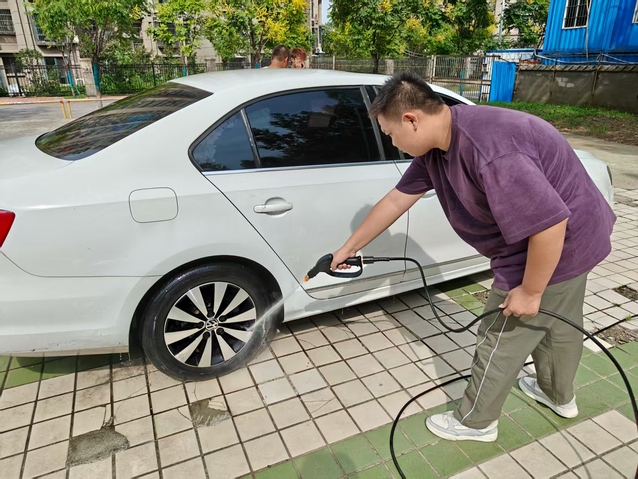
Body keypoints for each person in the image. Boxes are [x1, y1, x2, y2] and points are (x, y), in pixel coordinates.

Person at [330, 72, 615, 442]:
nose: (393, 142)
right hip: (571, 237)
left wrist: (530, 291)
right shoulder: (439, 144)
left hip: (557, 244)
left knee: (500, 337)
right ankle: (558, 395)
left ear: (411, 120)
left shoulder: (491, 150)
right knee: (559, 323)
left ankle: (475, 422)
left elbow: (549, 225)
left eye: (390, 133)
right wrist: (350, 247)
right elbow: (398, 199)